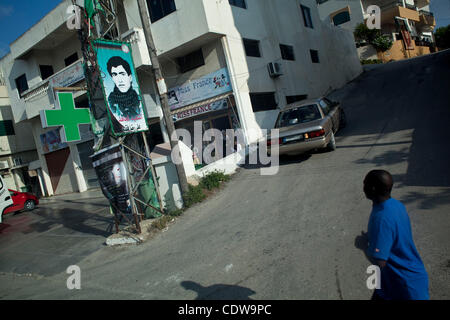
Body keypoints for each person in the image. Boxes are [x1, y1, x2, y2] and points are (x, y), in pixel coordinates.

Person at [360, 170, 429, 300]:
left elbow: (379, 262)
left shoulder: (382, 218)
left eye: (365, 184)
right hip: (394, 281)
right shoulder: (396, 205)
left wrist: (363, 246)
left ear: (373, 188)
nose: (363, 188)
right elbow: (392, 233)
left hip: (404, 286)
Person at [106, 56, 142, 132]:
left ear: (130, 77)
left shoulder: (137, 98)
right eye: (114, 75)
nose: (119, 80)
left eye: (122, 74)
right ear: (112, 78)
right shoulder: (111, 101)